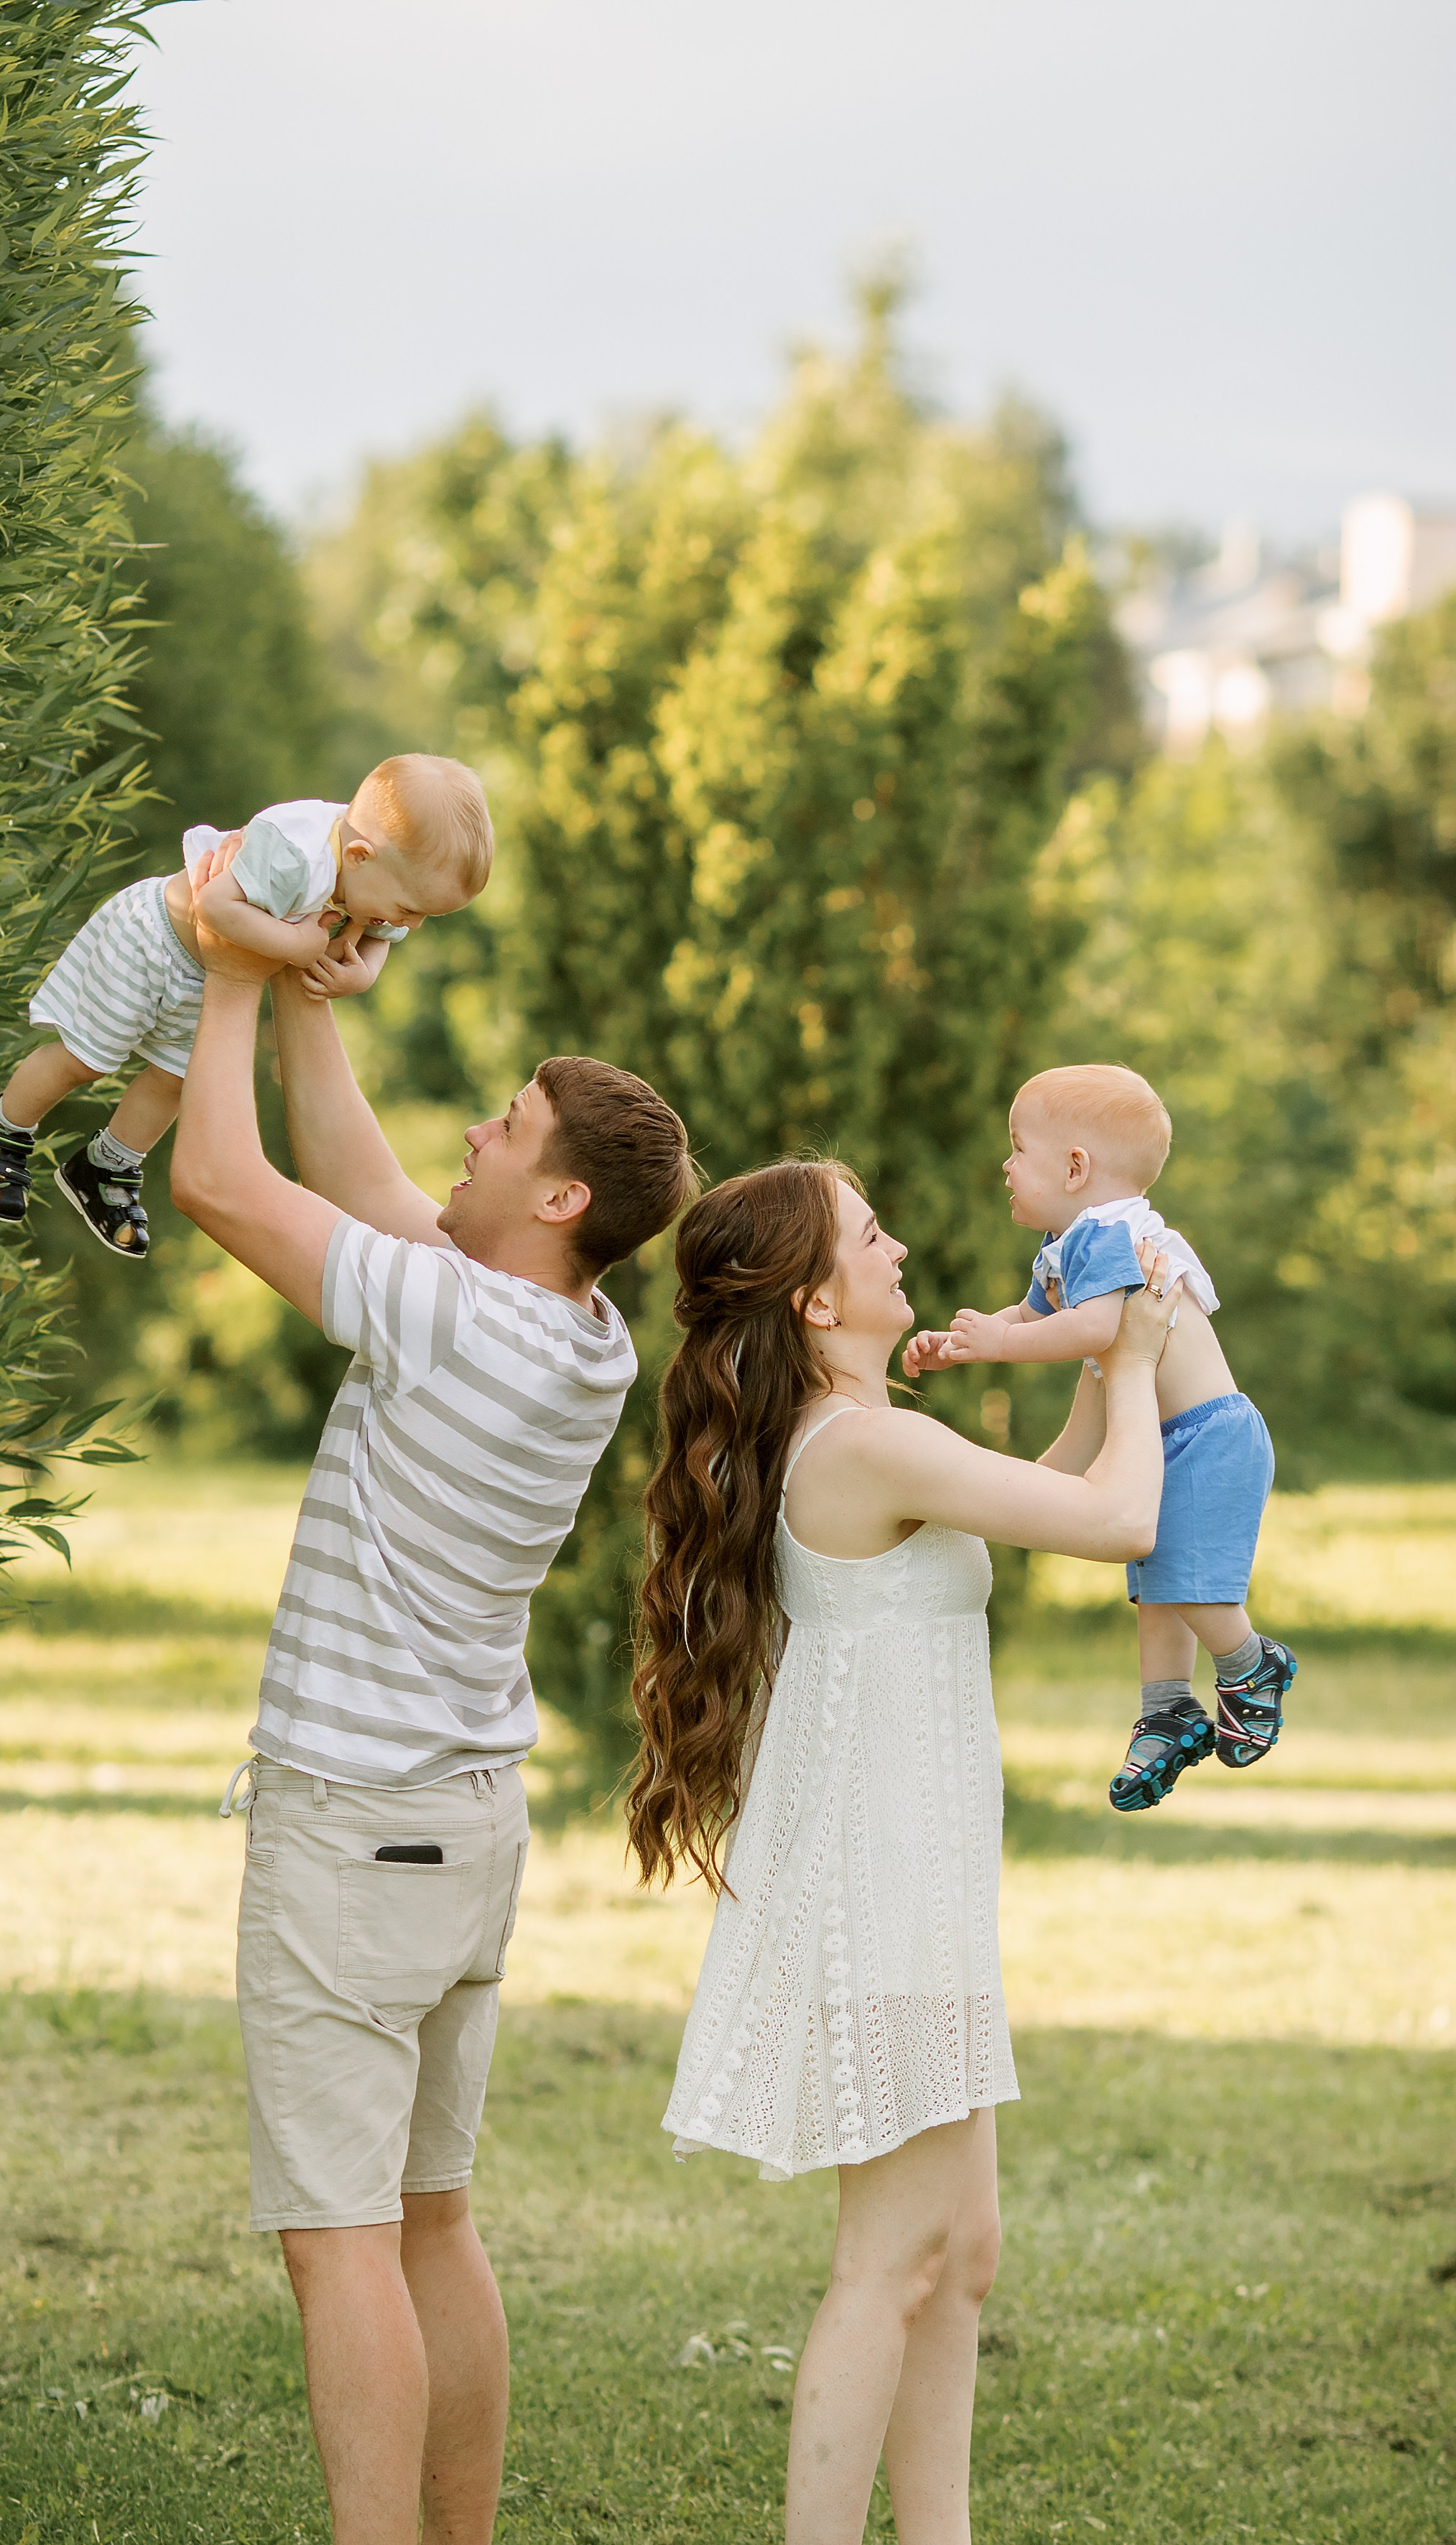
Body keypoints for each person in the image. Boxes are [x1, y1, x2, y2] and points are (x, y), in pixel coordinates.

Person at [170, 858, 694, 2545]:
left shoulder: (449, 1323)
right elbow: (379, 1192)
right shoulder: (577, 1333)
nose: (473, 1131)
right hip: (463, 1832)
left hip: (352, 1829)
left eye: (506, 1126)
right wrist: (320, 1004)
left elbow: (215, 1178)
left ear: (557, 1201)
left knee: (339, 2244)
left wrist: (233, 964)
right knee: (429, 2221)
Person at [627, 1158, 1179, 2545]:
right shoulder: (859, 1444)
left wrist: (1093, 1364)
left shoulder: (873, 1428)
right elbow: (1119, 1519)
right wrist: (1139, 1349)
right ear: (817, 1300)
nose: (901, 1242)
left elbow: (1035, 1491)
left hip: (916, 1865)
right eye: (871, 1233)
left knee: (961, 2252)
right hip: (879, 1876)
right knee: (890, 2256)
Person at [903, 1063, 1295, 1811]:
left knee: (1184, 1578)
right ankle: (1167, 1709)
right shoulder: (1068, 1245)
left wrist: (995, 1346)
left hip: (1206, 1433)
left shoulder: (1112, 1233)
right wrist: (964, 1342)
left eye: (1017, 1149)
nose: (1005, 1166)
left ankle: (1250, 1662)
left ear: (1075, 1166)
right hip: (1164, 1430)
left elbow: (1094, 1328)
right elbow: (1032, 1318)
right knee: (1155, 1583)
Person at [0, 753, 491, 1258]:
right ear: (358, 857)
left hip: (205, 972)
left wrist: (364, 973)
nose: (410, 924)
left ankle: (107, 1165)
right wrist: (296, 948)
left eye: (425, 916)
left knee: (180, 1079)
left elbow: (383, 935)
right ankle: (1, 1128)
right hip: (155, 940)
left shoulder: (383, 870)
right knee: (88, 1058)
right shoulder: (295, 854)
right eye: (409, 909)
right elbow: (215, 905)